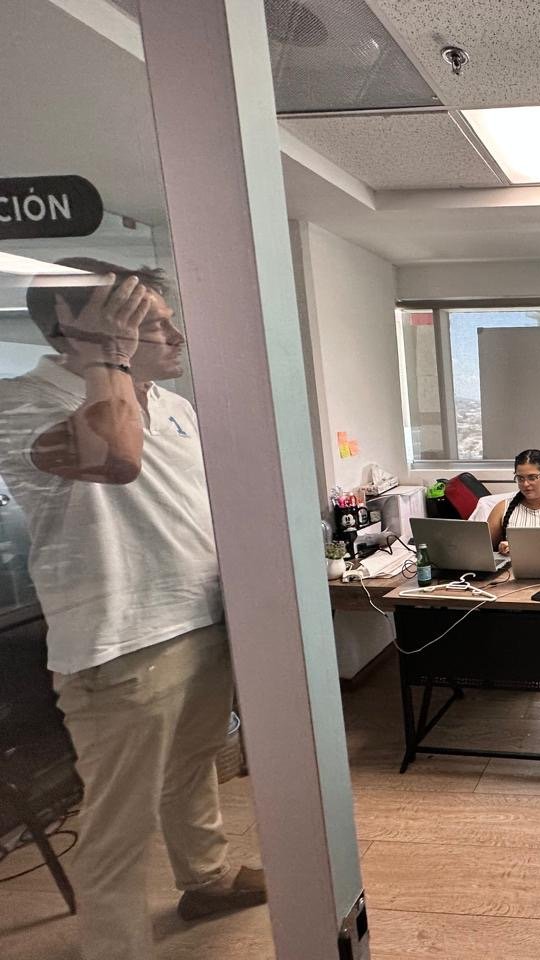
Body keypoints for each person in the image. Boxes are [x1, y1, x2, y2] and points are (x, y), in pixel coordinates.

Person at [0, 259, 265, 960]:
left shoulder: (173, 405)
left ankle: (205, 877)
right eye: (147, 322)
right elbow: (116, 460)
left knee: (196, 763)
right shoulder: (22, 400)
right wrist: (110, 358)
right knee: (119, 827)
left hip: (201, 620)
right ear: (77, 334)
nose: (174, 335)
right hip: (120, 645)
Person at [485, 448, 540, 554]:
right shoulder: (502, 507)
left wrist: (519, 548)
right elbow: (482, 548)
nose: (525, 484)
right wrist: (501, 549)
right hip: (512, 569)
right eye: (520, 478)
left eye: (532, 477)